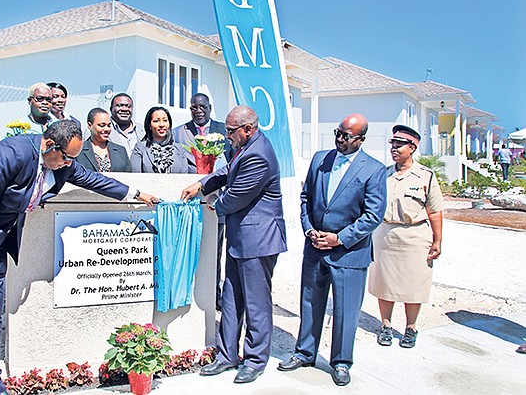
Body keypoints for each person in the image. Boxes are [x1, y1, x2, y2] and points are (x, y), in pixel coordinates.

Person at [0, 119, 158, 394]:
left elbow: (93, 179)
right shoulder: (11, 153)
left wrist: (136, 194)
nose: (69, 164)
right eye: (67, 157)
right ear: (50, 144)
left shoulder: (62, 163)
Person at [278, 113, 387, 387]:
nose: (340, 139)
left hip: (349, 254)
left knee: (345, 311)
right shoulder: (320, 159)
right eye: (338, 133)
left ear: (361, 139)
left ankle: (340, 362)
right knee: (310, 303)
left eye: (346, 136)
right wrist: (308, 229)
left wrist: (338, 239)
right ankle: (305, 352)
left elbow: (373, 216)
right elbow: (306, 198)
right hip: (315, 247)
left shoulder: (373, 170)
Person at [181, 106, 287, 384]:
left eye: (230, 131)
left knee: (256, 303)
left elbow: (237, 195)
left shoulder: (259, 155)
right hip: (240, 238)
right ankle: (227, 355)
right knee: (230, 298)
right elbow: (228, 171)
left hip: (259, 240)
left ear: (247, 129)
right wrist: (202, 185)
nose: (226, 136)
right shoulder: (244, 147)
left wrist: (213, 204)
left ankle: (254, 359)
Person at [368, 125, 443, 349]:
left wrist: (438, 240)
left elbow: (435, 211)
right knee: (385, 283)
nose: (394, 149)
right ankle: (386, 325)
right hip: (386, 234)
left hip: (415, 236)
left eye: (399, 145)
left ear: (412, 147)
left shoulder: (425, 176)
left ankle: (411, 327)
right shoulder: (384, 174)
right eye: (392, 144)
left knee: (414, 285)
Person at [173, 92, 231, 309]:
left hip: (217, 200)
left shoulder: (223, 131)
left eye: (202, 107)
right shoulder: (180, 132)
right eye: (194, 108)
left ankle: (214, 295)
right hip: (190, 199)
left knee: (215, 252)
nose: (198, 111)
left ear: (210, 108)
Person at [131, 106, 194, 173]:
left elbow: (184, 178)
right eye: (156, 121)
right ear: (149, 125)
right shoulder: (140, 148)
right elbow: (135, 177)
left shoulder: (179, 150)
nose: (161, 124)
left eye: (165, 120)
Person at [77, 107, 131, 173]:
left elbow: (129, 176)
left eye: (109, 125)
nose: (106, 129)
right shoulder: (78, 151)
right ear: (90, 125)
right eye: (102, 125)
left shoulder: (120, 151)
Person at [108, 92, 145, 157]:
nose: (124, 109)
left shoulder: (142, 130)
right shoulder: (103, 130)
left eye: (128, 106)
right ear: (111, 109)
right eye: (119, 105)